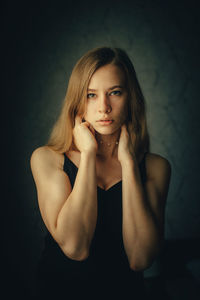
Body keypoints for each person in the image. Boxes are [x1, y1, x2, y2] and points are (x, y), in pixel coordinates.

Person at [30, 47, 171, 299]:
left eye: (114, 93)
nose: (103, 107)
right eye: (91, 95)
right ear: (77, 102)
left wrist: (128, 161)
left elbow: (141, 258)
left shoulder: (156, 168)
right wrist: (88, 155)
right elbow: (76, 247)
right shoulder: (46, 159)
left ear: (131, 98)